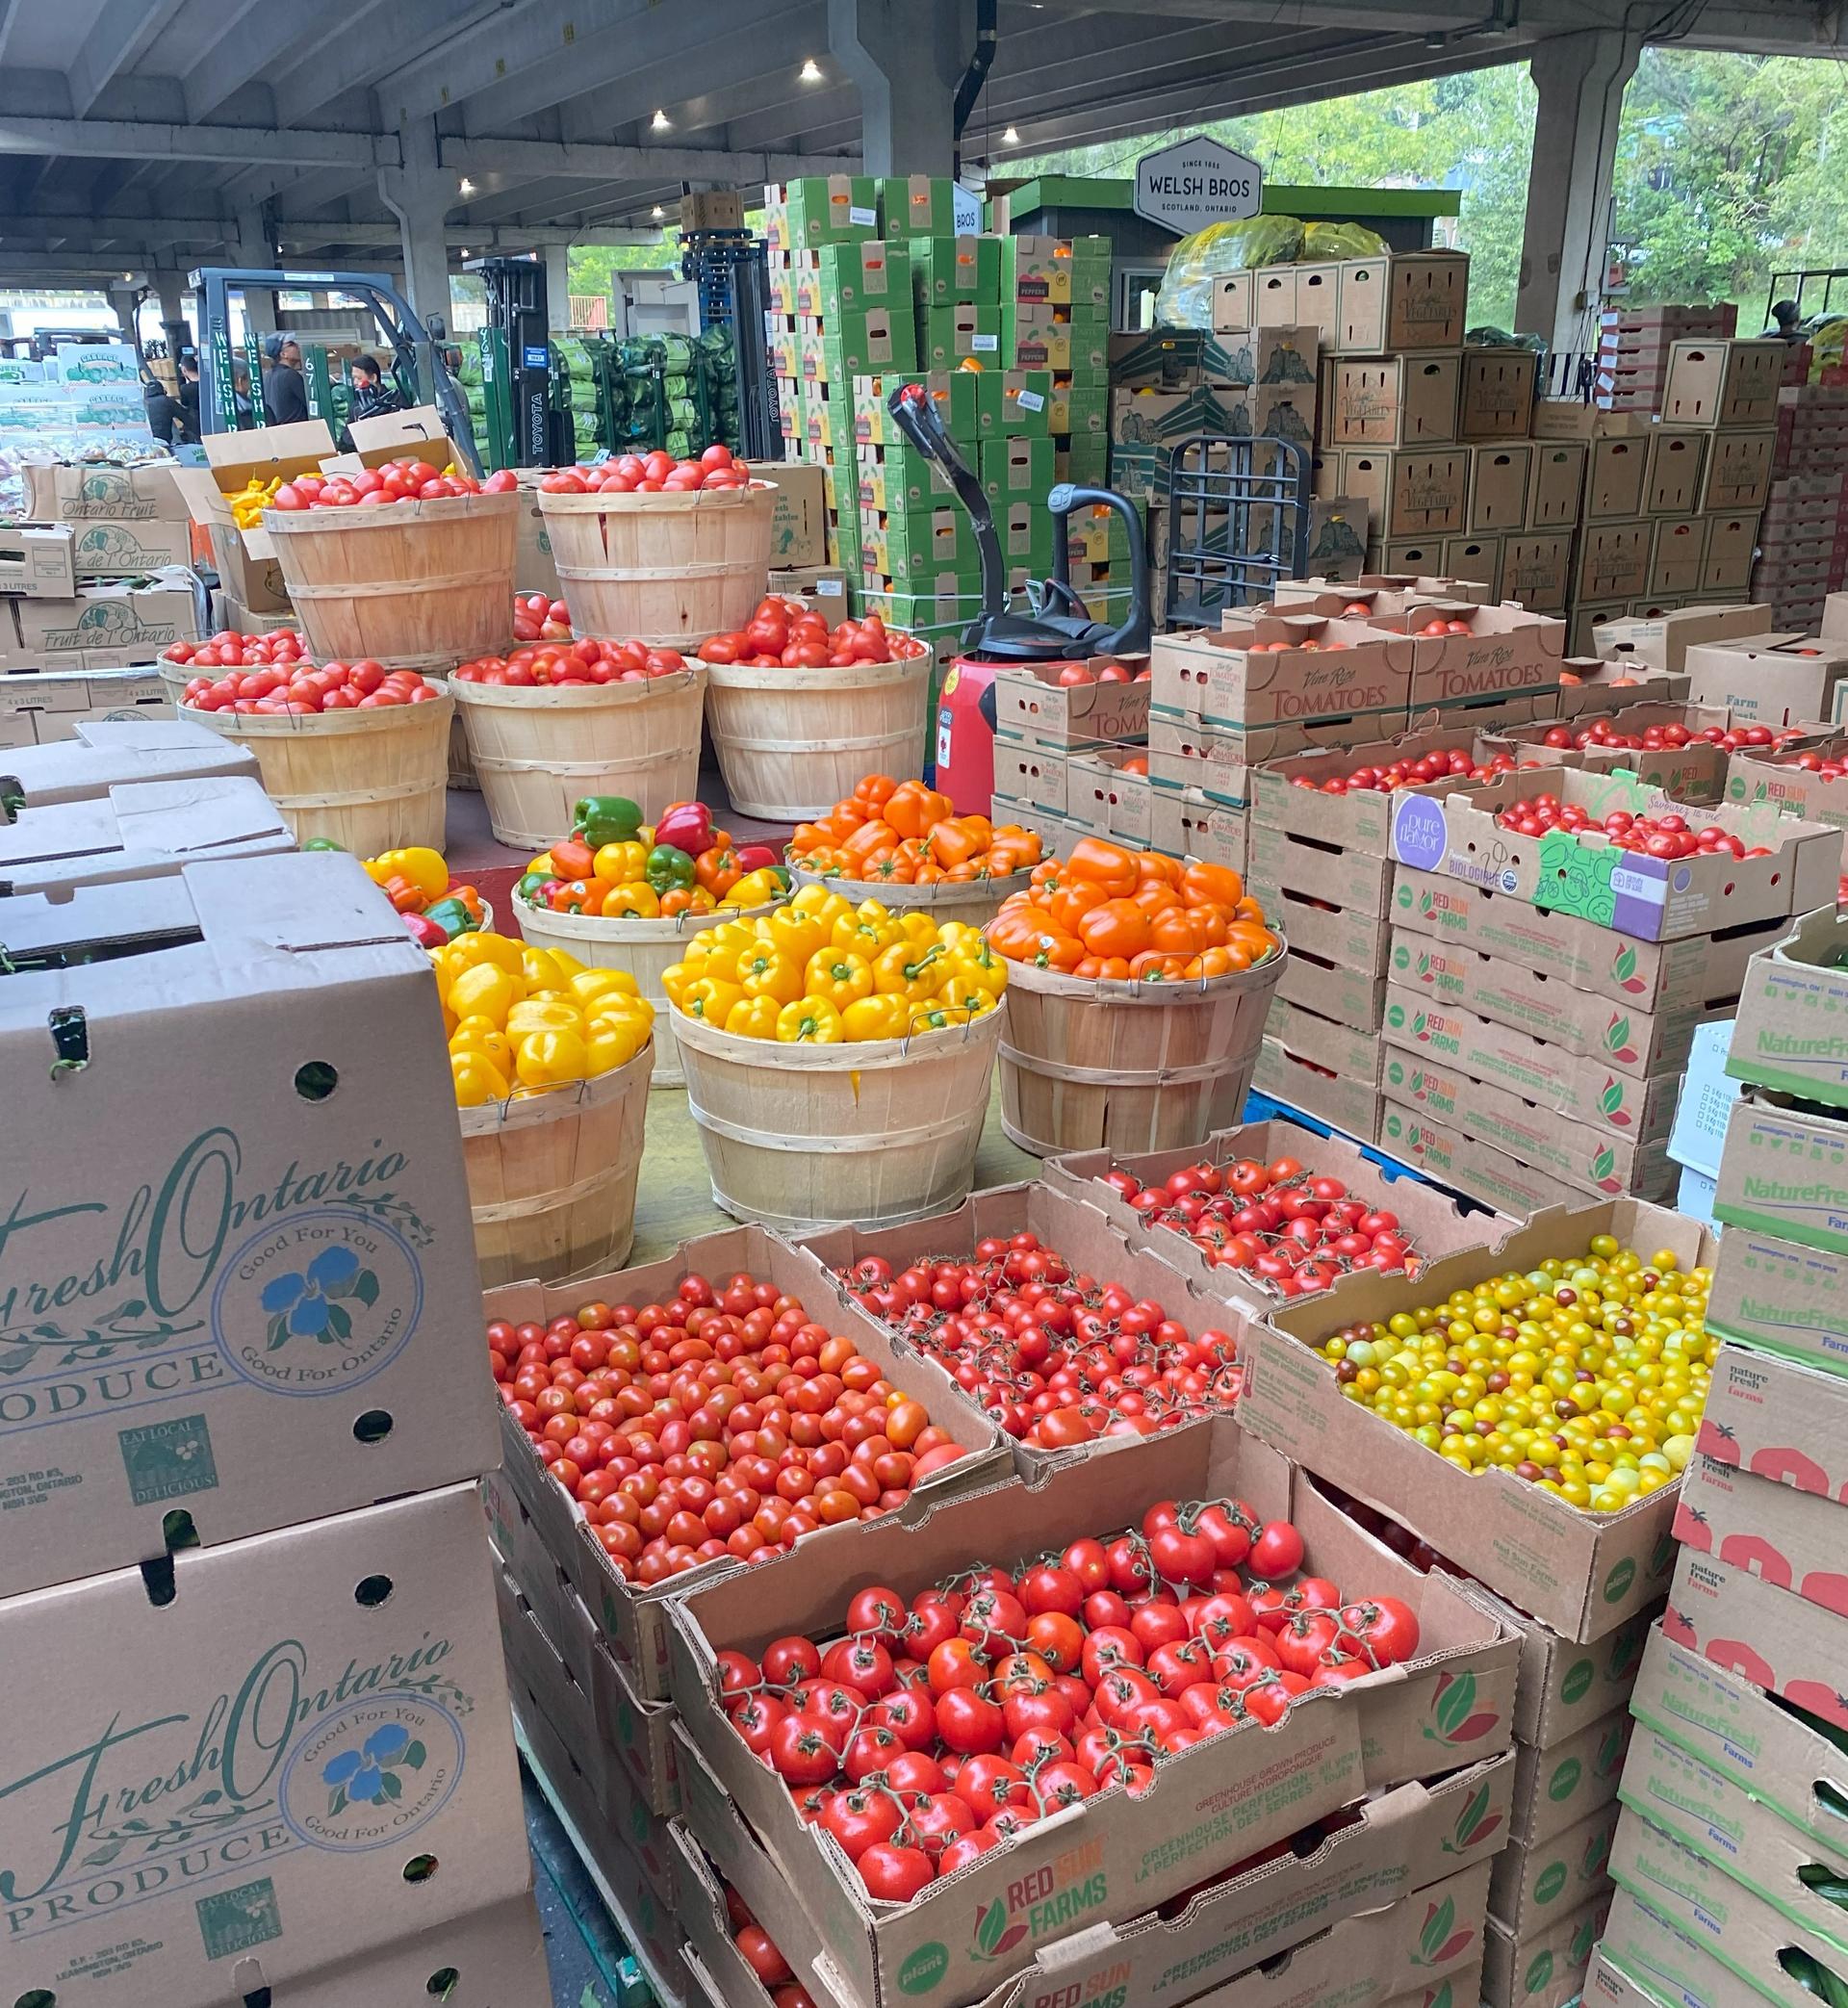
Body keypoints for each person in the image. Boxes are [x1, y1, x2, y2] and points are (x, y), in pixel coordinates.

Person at [337, 353, 404, 449]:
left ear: (373, 378)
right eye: (354, 378)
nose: (355, 382)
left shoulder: (394, 400)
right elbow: (345, 439)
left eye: (359, 378)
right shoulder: (356, 407)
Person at [262, 334, 310, 424]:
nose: (297, 346)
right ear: (283, 354)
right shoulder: (290, 375)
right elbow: (311, 403)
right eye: (291, 344)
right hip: (297, 431)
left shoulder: (268, 377)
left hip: (280, 432)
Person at [175, 355, 202, 441]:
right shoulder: (207, 383)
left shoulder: (185, 388)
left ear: (184, 369)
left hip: (196, 422)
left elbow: (185, 403)